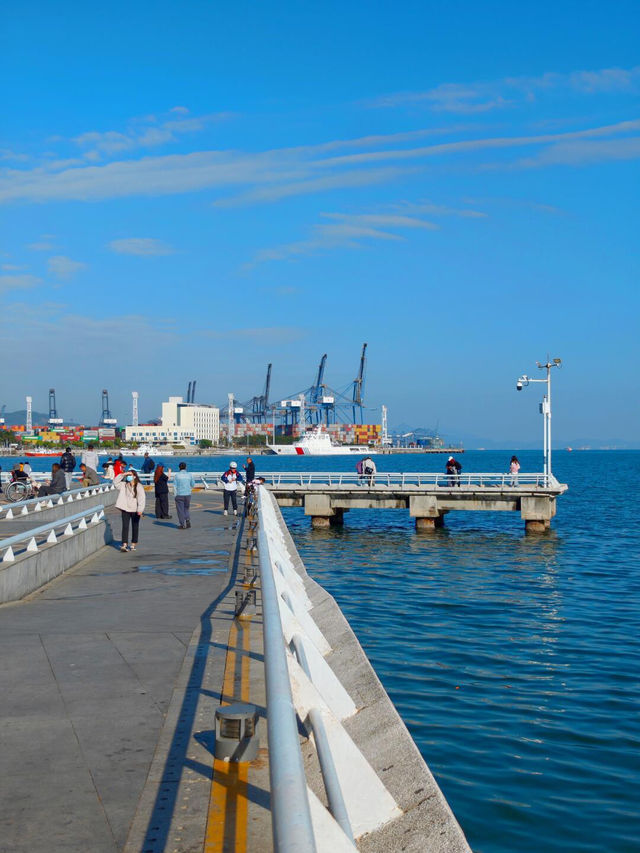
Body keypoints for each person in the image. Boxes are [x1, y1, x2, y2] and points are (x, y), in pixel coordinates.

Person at [114, 469, 145, 552]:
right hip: (125, 509)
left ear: (134, 476)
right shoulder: (124, 485)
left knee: (135, 527)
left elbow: (142, 499)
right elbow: (115, 482)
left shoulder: (139, 486)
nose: (129, 477)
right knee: (125, 526)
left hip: (135, 510)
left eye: (130, 475)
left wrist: (140, 510)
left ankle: (133, 544)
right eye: (128, 476)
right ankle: (124, 544)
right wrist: (123, 474)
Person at [171, 462, 196, 529]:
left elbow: (174, 486)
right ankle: (187, 520)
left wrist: (175, 495)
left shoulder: (177, 475)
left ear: (179, 467)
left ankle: (182, 524)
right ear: (186, 467)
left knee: (180, 510)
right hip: (188, 494)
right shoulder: (190, 475)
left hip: (179, 494)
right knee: (186, 508)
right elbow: (193, 484)